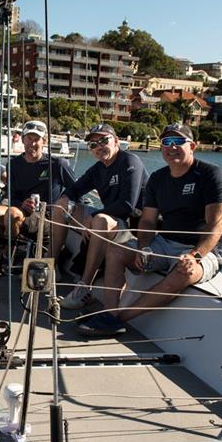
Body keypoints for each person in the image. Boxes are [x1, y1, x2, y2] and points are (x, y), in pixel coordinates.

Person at [77, 123, 222, 337]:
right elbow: (147, 222)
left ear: (192, 146)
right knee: (116, 251)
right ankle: (109, 311)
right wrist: (144, 247)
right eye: (167, 142)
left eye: (178, 142)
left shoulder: (210, 175)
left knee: (183, 271)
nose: (171, 147)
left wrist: (195, 255)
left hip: (202, 250)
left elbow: (217, 225)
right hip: (162, 243)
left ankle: (117, 319)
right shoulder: (158, 178)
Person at [54, 123, 148, 309]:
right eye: (93, 145)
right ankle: (52, 264)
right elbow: (74, 190)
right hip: (113, 220)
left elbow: (127, 206)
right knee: (61, 206)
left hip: (133, 226)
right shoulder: (98, 169)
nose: (98, 147)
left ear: (116, 142)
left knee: (100, 219)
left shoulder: (130, 161)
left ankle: (84, 286)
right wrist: (65, 200)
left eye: (103, 141)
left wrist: (95, 214)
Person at [0, 120, 76, 242]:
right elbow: (12, 195)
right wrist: (23, 203)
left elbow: (76, 191)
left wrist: (67, 207)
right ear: (23, 139)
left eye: (37, 139)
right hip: (21, 209)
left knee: (12, 214)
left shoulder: (58, 164)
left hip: (47, 216)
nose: (32, 143)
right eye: (29, 138)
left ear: (44, 141)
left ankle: (11, 250)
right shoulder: (13, 164)